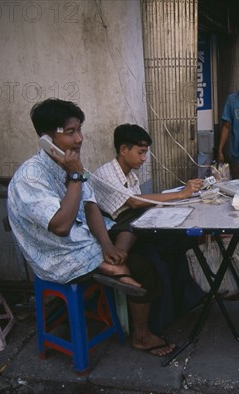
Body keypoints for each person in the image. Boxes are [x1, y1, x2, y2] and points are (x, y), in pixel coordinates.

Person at [7, 99, 175, 356]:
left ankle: (115, 262)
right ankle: (137, 326)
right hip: (58, 254)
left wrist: (107, 244)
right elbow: (61, 227)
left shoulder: (72, 164)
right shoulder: (31, 177)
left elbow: (90, 205)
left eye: (79, 130)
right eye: (71, 132)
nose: (79, 139)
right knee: (141, 265)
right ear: (46, 138)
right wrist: (75, 176)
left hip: (84, 239)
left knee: (134, 230)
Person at [90, 124, 206, 334]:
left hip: (132, 228)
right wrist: (180, 195)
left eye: (145, 153)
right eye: (140, 152)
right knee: (153, 263)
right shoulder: (105, 173)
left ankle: (186, 302)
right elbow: (133, 203)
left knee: (178, 243)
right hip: (114, 234)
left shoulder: (130, 175)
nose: (144, 159)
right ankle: (152, 327)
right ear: (123, 150)